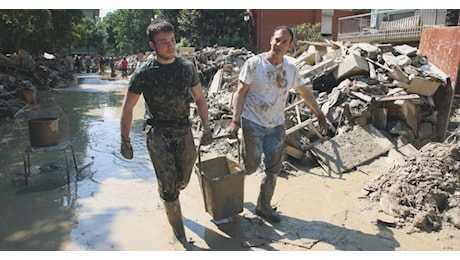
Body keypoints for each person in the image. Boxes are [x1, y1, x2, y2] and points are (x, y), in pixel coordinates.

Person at [119, 20, 213, 250]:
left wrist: (207, 128)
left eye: (172, 41)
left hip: (183, 130)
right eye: (164, 43)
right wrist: (125, 140)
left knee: (183, 179)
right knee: (170, 187)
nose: (171, 46)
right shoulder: (144, 74)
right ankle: (179, 236)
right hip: (158, 131)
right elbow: (128, 107)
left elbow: (199, 99)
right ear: (153, 45)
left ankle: (168, 191)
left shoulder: (186, 67)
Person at [228, 25, 328, 223]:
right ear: (270, 40)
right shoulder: (254, 64)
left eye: (284, 42)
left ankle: (263, 206)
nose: (279, 44)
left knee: (273, 168)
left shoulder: (290, 68)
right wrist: (235, 120)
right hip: (252, 121)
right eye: (277, 40)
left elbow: (304, 92)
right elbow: (240, 92)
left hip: (276, 125)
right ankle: (230, 194)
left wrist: (319, 113)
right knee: (251, 165)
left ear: (290, 46)